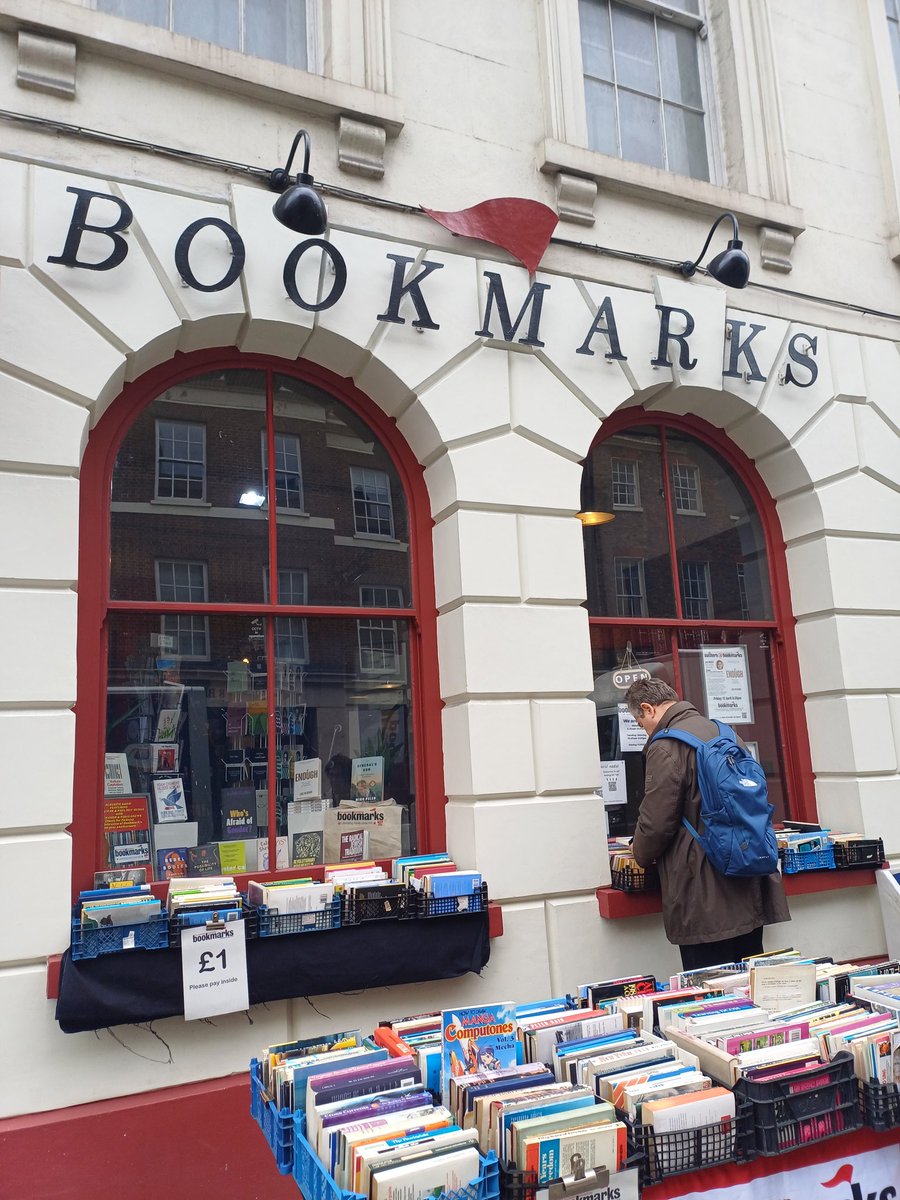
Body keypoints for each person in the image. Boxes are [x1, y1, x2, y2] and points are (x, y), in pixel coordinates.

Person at [623, 678, 790, 971]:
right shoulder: (724, 732)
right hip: (748, 873)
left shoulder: (666, 746)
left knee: (710, 992)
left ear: (648, 709)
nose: (644, 731)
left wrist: (639, 852)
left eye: (640, 724)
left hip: (702, 887)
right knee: (748, 981)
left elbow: (656, 822)